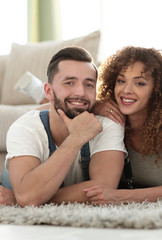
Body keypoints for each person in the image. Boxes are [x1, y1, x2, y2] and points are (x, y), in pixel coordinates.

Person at [0, 46, 127, 206]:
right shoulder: (25, 127)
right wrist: (76, 138)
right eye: (69, 83)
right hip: (13, 182)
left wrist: (25, 198)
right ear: (48, 91)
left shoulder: (108, 123)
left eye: (89, 85)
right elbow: (26, 195)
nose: (81, 92)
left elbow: (103, 188)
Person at [83, 46, 162, 204]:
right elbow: (51, 110)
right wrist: (92, 106)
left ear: (157, 90)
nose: (126, 90)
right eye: (121, 81)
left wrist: (116, 196)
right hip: (133, 187)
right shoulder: (107, 113)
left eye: (139, 83)